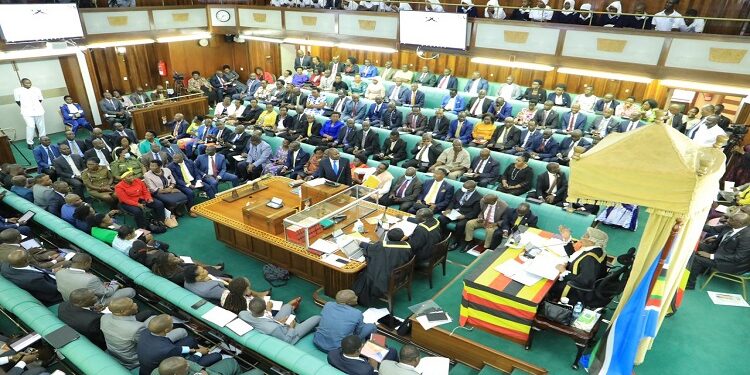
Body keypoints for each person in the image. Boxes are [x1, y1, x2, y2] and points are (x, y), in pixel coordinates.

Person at [101, 297, 188, 369]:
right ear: (123, 311)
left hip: (117, 351)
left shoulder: (104, 317)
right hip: (133, 359)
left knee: (153, 317)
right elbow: (149, 342)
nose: (135, 305)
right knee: (182, 331)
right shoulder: (136, 328)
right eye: (132, 305)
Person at [137, 314, 221, 375]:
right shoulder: (167, 349)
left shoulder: (145, 332)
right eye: (171, 324)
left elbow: (176, 349)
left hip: (146, 369)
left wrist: (195, 350)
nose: (173, 325)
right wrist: (199, 353)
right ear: (166, 330)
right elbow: (183, 364)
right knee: (216, 355)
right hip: (168, 369)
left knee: (190, 340)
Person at [687, 212, 750, 289]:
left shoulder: (747, 237)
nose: (727, 220)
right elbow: (711, 229)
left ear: (739, 223)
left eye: (731, 219)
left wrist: (711, 256)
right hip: (719, 250)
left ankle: (690, 285)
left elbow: (738, 257)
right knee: (695, 245)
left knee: (697, 259)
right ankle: (698, 270)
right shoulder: (730, 226)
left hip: (731, 263)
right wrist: (692, 222)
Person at [352, 228, 413, 306]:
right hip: (401, 275)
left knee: (364, 274)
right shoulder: (407, 245)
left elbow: (369, 248)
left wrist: (360, 242)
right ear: (401, 237)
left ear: (387, 237)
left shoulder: (381, 246)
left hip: (386, 280)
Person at [549, 226, 608, 304]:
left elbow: (584, 281)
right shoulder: (596, 249)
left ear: (592, 241)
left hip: (574, 289)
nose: (583, 236)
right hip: (577, 278)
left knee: (548, 283)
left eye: (586, 236)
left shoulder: (590, 259)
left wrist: (564, 271)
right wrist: (567, 239)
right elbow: (577, 257)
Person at [56, 253, 136, 304]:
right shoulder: (91, 279)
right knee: (130, 291)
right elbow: (107, 293)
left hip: (69, 301)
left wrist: (99, 286)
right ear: (86, 263)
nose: (90, 266)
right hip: (91, 303)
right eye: (90, 264)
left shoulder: (59, 272)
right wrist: (115, 284)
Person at [239, 297, 319, 344]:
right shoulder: (273, 328)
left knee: (287, 306)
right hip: (289, 335)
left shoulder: (242, 314)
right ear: (264, 309)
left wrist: (278, 322)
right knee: (317, 318)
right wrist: (291, 328)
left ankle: (296, 318)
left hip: (274, 324)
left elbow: (262, 320)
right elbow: (287, 341)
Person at [14, 78, 46, 149]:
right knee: (30, 126)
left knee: (41, 126)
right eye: (26, 83)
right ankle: (30, 143)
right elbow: (17, 101)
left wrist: (35, 106)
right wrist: (26, 107)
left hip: (39, 110)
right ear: (22, 83)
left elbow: (40, 99)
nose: (29, 84)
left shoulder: (36, 89)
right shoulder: (17, 90)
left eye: (30, 83)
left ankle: (43, 140)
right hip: (26, 112)